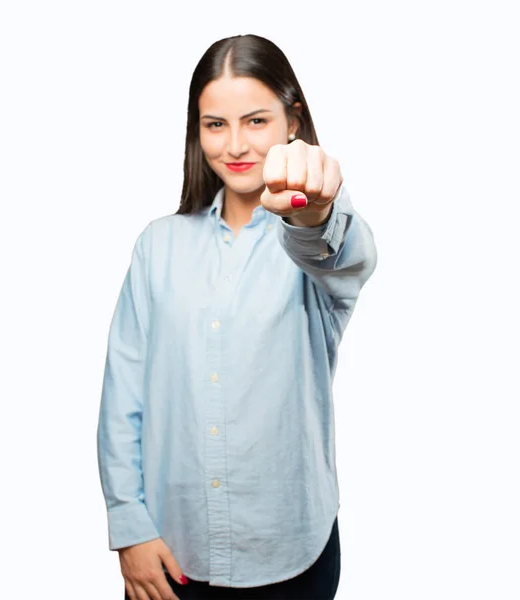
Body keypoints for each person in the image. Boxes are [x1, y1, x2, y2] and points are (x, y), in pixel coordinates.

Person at [97, 33, 377, 600]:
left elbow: (342, 251)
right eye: (215, 124)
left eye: (255, 120)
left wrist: (316, 208)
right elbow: (124, 398)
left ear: (291, 120)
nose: (235, 145)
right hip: (172, 557)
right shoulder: (159, 247)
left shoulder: (311, 239)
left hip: (293, 554)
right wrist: (129, 526)